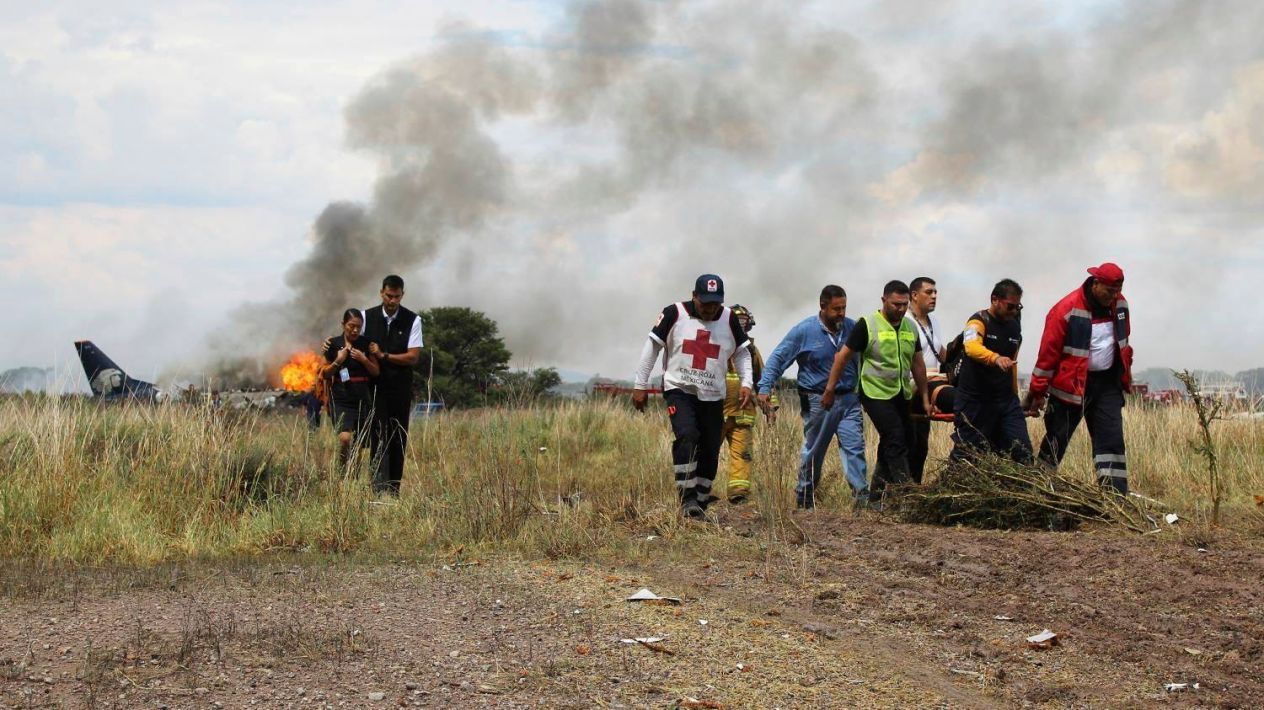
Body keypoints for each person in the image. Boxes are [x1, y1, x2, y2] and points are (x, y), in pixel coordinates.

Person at [633, 274, 753, 519]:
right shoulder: (674, 313)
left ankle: (700, 499)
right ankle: (687, 498)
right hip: (680, 389)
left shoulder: (729, 318)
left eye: (715, 304)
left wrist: (747, 382)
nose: (710, 310)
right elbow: (653, 346)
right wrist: (640, 384)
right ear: (694, 296)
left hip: (712, 395)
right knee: (687, 436)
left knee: (709, 447)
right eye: (705, 303)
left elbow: (742, 352)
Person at [1024, 263, 1133, 494]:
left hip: (1107, 386)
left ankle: (1115, 497)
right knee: (1057, 439)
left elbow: (1124, 343)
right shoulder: (1066, 309)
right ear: (1095, 284)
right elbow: (1047, 356)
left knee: (1111, 440)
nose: (1114, 296)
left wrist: (1124, 376)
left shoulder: (1120, 304)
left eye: (1117, 291)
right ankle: (1038, 489)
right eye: (1109, 291)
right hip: (1070, 389)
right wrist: (1037, 391)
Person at [757, 285, 867, 510]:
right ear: (823, 306)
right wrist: (764, 387)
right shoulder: (804, 331)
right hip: (817, 401)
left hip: (848, 399)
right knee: (815, 449)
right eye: (836, 309)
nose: (841, 314)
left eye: (844, 308)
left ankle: (861, 498)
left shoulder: (852, 328)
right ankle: (805, 495)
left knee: (854, 447)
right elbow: (778, 358)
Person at [822, 281, 930, 506]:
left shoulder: (910, 328)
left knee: (905, 439)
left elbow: (918, 365)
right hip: (874, 393)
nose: (900, 309)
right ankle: (905, 495)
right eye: (895, 304)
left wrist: (927, 399)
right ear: (884, 301)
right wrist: (830, 389)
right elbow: (841, 357)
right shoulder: (867, 325)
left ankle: (874, 499)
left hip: (901, 393)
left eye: (904, 304)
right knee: (895, 438)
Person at [949, 279, 1032, 463]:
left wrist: (1015, 395)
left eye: (1018, 307)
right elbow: (971, 347)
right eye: (1010, 306)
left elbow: (1013, 363)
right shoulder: (977, 321)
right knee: (968, 456)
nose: (1014, 311)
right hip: (974, 401)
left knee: (1022, 452)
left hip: (1005, 400)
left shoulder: (1014, 326)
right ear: (995, 299)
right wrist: (995, 358)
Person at [362, 275, 423, 496]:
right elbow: (351, 340)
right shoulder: (366, 317)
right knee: (377, 435)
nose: (392, 301)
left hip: (400, 388)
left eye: (397, 297)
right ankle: (377, 489)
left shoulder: (413, 320)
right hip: (374, 387)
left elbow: (413, 357)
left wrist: (383, 355)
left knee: (398, 435)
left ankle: (393, 489)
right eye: (389, 296)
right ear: (381, 293)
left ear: (402, 295)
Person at [721, 305, 775, 504]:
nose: (741, 325)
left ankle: (739, 493)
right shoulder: (716, 344)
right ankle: (700, 489)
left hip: (743, 413)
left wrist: (770, 407)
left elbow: (764, 379)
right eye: (738, 321)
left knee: (742, 454)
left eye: (744, 321)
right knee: (707, 452)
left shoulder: (751, 350)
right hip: (716, 412)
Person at [322, 309, 381, 465]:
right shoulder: (333, 344)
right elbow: (325, 373)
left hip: (362, 396)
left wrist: (364, 360)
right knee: (345, 438)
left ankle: (352, 476)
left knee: (358, 442)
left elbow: (375, 371)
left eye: (358, 327)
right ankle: (342, 469)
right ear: (343, 324)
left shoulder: (366, 344)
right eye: (351, 326)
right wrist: (338, 361)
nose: (355, 330)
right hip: (341, 396)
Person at [906, 277, 948, 482]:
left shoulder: (935, 322)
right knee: (905, 443)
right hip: (912, 388)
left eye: (935, 292)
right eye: (929, 292)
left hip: (933, 384)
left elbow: (941, 352)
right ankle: (894, 494)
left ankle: (913, 491)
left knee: (921, 446)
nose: (934, 296)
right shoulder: (905, 321)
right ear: (914, 295)